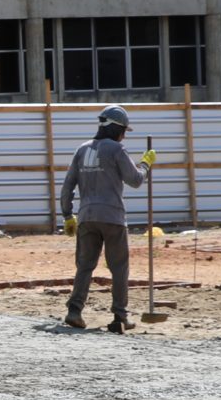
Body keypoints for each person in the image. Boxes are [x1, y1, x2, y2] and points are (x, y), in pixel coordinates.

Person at [58, 103, 153, 333]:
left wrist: (67, 214)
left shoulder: (82, 149)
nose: (123, 136)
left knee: (84, 266)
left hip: (87, 217)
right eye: (123, 131)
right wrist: (146, 164)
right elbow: (136, 180)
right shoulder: (116, 150)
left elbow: (67, 185)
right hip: (113, 218)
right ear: (116, 129)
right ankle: (119, 317)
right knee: (119, 268)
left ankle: (75, 311)